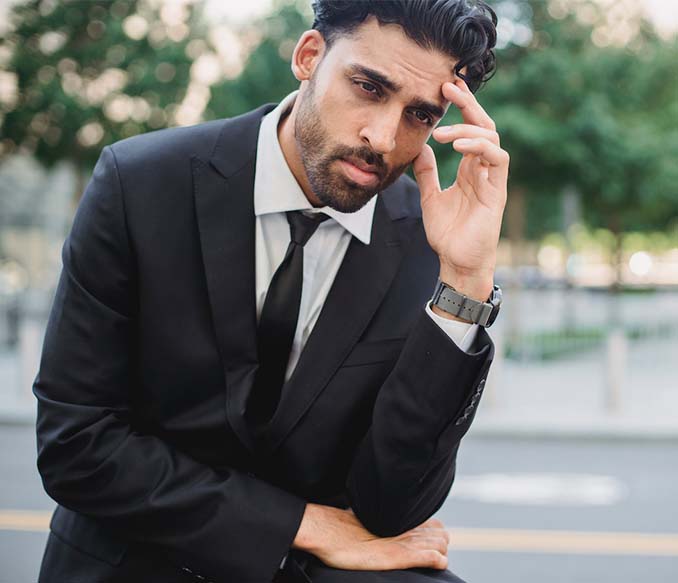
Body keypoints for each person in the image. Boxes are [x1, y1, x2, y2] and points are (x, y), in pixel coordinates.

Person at [33, 1, 508, 582]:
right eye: (367, 87)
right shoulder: (139, 184)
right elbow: (76, 445)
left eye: (420, 116)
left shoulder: (428, 241)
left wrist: (462, 284)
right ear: (309, 56)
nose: (381, 138)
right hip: (134, 553)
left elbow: (393, 508)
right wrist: (298, 524)